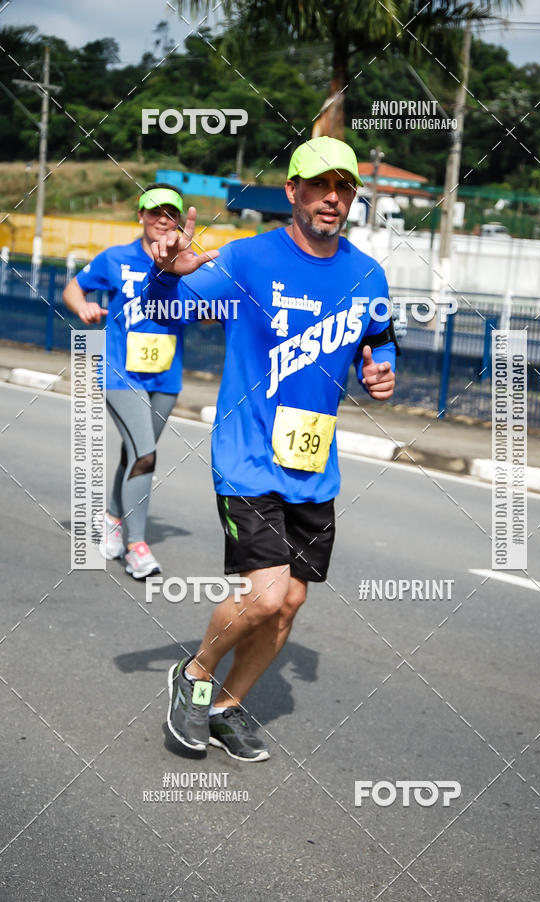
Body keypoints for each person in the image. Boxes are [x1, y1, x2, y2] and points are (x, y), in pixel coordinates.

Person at [141, 137, 397, 761]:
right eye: (318, 185)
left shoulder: (368, 274)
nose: (331, 198)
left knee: (291, 603)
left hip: (313, 464)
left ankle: (228, 707)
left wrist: (382, 375)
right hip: (247, 455)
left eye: (344, 187)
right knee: (264, 593)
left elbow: (382, 340)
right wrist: (164, 272)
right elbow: (162, 311)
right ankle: (195, 676)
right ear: (292, 191)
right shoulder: (249, 261)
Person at [63, 183, 212, 579]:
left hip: (165, 373)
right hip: (118, 371)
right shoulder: (116, 258)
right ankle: (136, 545)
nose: (162, 219)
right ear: (141, 216)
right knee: (146, 453)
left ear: (179, 220)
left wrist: (210, 311)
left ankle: (110, 517)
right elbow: (73, 289)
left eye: (170, 213)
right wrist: (85, 308)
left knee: (135, 454)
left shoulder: (186, 260)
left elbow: (204, 309)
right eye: (153, 211)